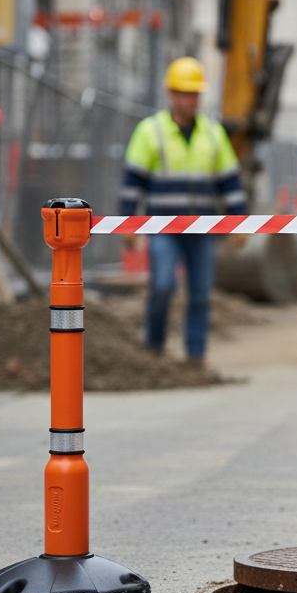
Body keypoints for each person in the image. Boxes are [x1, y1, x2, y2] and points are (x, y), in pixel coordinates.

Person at [120, 57, 247, 364]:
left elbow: (230, 181)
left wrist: (239, 221)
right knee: (163, 285)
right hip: (165, 228)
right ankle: (154, 349)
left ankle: (195, 358)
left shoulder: (213, 133)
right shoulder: (150, 131)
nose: (193, 100)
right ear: (172, 94)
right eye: (186, 93)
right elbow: (132, 182)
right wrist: (127, 224)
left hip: (202, 229)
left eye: (196, 94)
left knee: (201, 295)